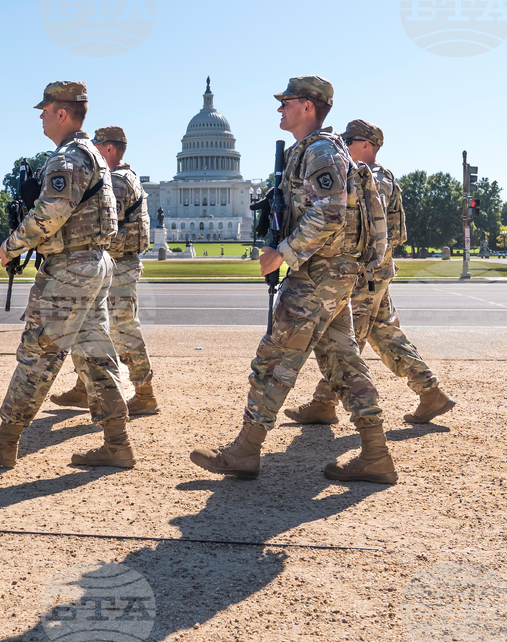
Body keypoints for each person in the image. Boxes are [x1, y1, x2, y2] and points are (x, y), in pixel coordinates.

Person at [190, 76, 397, 484]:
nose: (279, 108)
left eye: (286, 101)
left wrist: (282, 253)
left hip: (318, 274)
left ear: (308, 106)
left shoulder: (321, 150)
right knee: (343, 360)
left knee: (274, 357)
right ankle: (376, 454)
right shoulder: (316, 150)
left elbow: (331, 211)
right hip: (333, 273)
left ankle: (245, 450)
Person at [0, 81, 135, 469]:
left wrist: (11, 245)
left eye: (45, 109)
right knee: (95, 355)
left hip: (70, 268)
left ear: (62, 113)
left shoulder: (67, 157)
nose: (40, 115)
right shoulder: (93, 154)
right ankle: (117, 443)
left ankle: (4, 440)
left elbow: (52, 213)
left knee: (39, 353)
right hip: (94, 262)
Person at [286, 120, 456, 426]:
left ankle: (325, 403)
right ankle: (430, 393)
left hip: (364, 272)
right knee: (385, 333)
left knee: (344, 339)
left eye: (348, 140)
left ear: (367, 145)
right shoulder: (381, 176)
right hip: (377, 271)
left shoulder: (371, 178)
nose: (342, 146)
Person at [50, 126, 159, 416]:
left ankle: (145, 393)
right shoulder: (124, 177)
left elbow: (105, 227)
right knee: (88, 326)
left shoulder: (119, 182)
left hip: (120, 265)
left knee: (123, 330)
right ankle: (84, 387)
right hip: (118, 263)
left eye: (97, 147)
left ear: (108, 149)